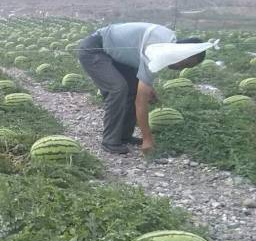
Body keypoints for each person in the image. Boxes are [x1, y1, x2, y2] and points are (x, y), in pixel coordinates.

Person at [78, 22, 206, 155]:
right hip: (94, 49)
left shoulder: (169, 42)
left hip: (114, 54)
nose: (181, 68)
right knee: (118, 89)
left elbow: (142, 71)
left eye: (187, 67)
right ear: (182, 53)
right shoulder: (157, 51)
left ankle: (124, 135)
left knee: (133, 88)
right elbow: (141, 102)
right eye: (185, 63)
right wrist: (147, 139)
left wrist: (147, 86)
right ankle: (110, 141)